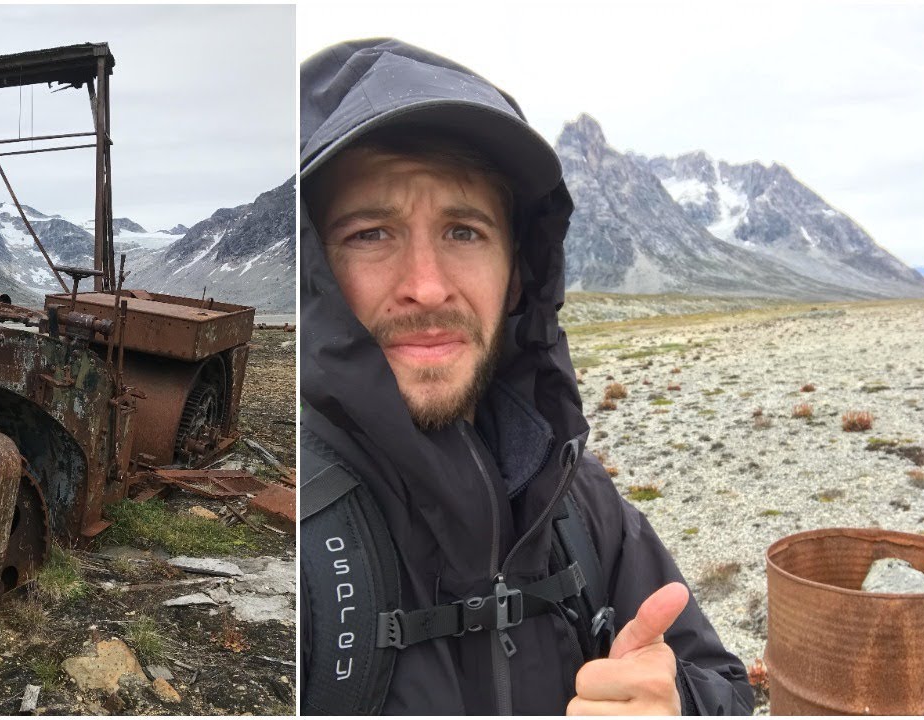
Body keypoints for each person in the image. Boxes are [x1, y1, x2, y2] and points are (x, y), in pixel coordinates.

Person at [299, 38, 753, 715]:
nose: (426, 287)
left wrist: (678, 704)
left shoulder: (580, 503)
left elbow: (725, 688)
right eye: (370, 232)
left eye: (465, 232)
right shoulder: (297, 545)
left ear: (518, 276)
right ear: (317, 274)